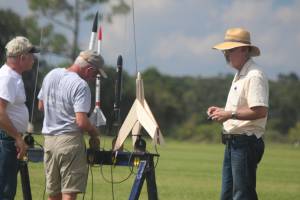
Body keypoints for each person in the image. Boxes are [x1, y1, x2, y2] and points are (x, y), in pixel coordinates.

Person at [207, 28, 269, 200]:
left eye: (230, 50)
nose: (226, 54)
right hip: (235, 143)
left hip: (245, 142)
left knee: (242, 195)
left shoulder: (254, 75)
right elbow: (239, 110)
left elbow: (260, 110)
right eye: (225, 51)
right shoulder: (241, 74)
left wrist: (230, 114)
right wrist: (222, 113)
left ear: (244, 49)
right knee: (228, 195)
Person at [38, 50, 105, 200]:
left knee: (53, 194)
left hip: (49, 141)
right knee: (69, 192)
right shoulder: (81, 85)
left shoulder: (51, 74)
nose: (93, 79)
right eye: (95, 75)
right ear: (89, 70)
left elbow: (41, 106)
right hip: (69, 143)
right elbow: (81, 121)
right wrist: (94, 132)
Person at [0, 36, 39, 199]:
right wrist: (17, 137)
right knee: (4, 191)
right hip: (5, 141)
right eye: (31, 55)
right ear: (22, 58)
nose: (34, 59)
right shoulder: (8, 78)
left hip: (7, 140)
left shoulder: (12, 76)